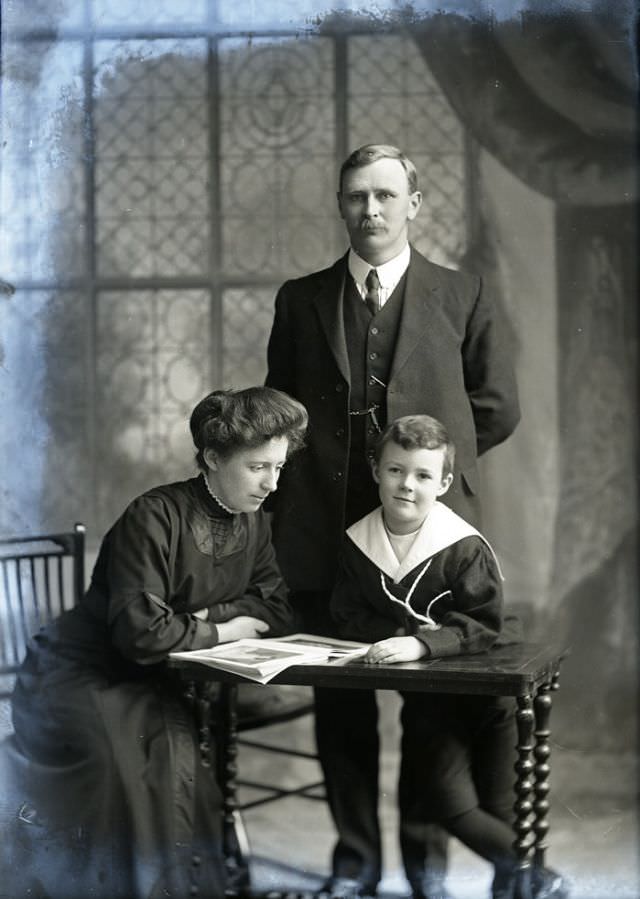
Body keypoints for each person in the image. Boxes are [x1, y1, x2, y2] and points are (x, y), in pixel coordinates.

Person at [265, 144, 521, 897]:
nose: (369, 210)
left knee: (429, 708)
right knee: (339, 705)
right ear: (341, 206)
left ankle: (424, 870)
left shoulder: (462, 291)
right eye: (354, 197)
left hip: (423, 539)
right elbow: (284, 415)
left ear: (415, 203)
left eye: (384, 195)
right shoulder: (301, 298)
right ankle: (353, 867)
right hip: (322, 534)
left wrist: (423, 474)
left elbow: (498, 406)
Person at [4, 386, 308, 899]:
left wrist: (207, 616)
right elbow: (141, 633)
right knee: (134, 763)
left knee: (174, 758)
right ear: (213, 458)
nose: (272, 484)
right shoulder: (153, 517)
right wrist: (227, 630)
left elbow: (275, 610)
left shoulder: (253, 525)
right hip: (80, 673)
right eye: (258, 467)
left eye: (278, 467)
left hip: (158, 676)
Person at [330, 415, 568, 899]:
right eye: (396, 470)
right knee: (445, 802)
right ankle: (522, 879)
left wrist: (420, 643)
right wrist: (401, 634)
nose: (406, 485)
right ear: (376, 470)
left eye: (421, 476)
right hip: (431, 699)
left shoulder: (461, 546)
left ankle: (526, 885)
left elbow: (483, 623)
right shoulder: (359, 542)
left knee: (502, 808)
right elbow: (348, 614)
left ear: (442, 483)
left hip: (491, 693)